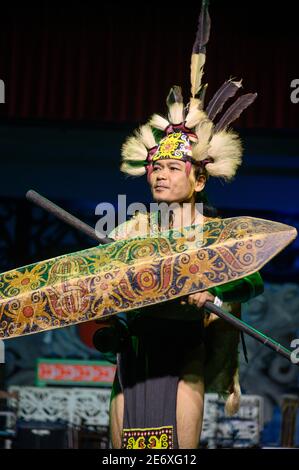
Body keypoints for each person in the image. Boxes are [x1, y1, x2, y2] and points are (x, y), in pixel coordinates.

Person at [98, 2, 264, 449]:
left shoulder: (217, 234)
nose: (161, 174)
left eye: (173, 167)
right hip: (130, 361)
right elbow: (102, 285)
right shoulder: (129, 230)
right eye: (156, 168)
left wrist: (214, 290)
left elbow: (251, 279)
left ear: (200, 177)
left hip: (184, 359)